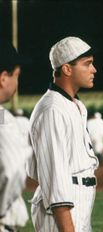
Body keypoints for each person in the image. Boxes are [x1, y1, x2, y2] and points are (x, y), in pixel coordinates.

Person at [27, 36, 98, 232]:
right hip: (61, 211)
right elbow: (55, 177)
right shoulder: (52, 109)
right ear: (67, 69)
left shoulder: (74, 105)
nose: (94, 70)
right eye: (87, 64)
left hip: (77, 203)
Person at [0, 39, 31, 231]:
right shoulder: (3, 120)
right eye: (16, 75)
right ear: (3, 78)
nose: (16, 82)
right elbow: (12, 169)